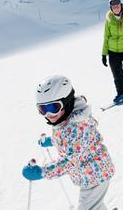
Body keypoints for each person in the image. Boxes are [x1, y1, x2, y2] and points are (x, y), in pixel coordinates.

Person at [22, 75, 115, 210]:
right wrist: (52, 141)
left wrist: (42, 172)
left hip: (95, 177)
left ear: (66, 102)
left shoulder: (75, 126)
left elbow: (69, 162)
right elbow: (71, 141)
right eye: (43, 109)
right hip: (91, 173)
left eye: (53, 107)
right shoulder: (68, 119)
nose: (49, 114)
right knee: (93, 205)